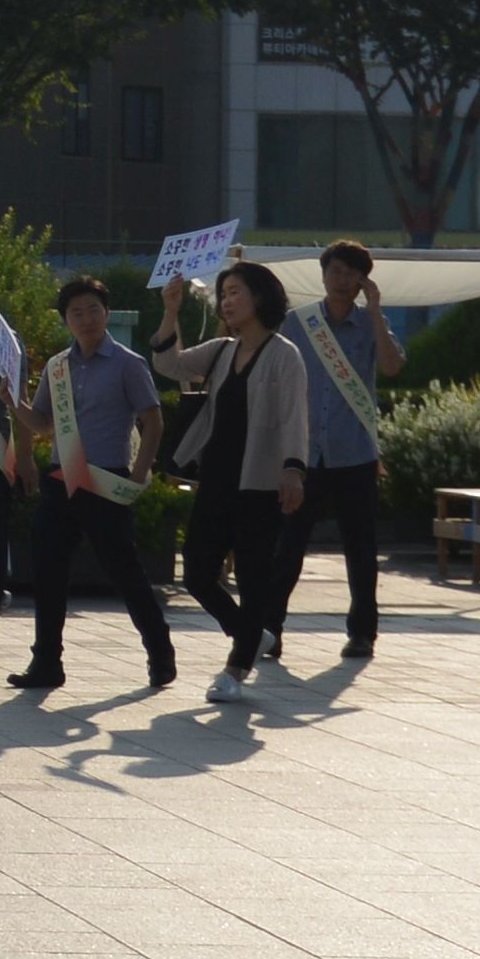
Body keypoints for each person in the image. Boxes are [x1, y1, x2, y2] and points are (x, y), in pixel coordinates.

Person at [11, 275, 176, 697]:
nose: (86, 319)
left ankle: (159, 650)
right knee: (48, 571)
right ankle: (46, 661)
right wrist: (15, 404)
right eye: (76, 312)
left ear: (106, 313)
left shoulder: (127, 363)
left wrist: (139, 473)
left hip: (106, 479)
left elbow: (153, 420)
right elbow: (44, 424)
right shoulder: (58, 366)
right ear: (65, 319)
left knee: (124, 570)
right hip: (60, 479)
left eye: (93, 310)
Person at [176, 262, 322, 701]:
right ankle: (250, 633)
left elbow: (295, 417)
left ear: (259, 297)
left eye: (235, 291)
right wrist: (170, 311)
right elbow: (169, 363)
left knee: (253, 575)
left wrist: (293, 469)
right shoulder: (222, 350)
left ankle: (236, 668)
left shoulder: (284, 354)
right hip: (217, 478)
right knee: (197, 572)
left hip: (260, 481)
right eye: (223, 294)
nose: (227, 301)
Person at [299, 240, 405, 662]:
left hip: (355, 454)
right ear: (323, 274)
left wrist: (376, 312)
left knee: (361, 550)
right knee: (287, 546)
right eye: (336, 271)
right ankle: (269, 628)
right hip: (304, 453)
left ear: (363, 281)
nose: (342, 280)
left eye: (351, 274)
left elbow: (392, 366)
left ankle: (362, 634)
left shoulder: (371, 324)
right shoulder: (300, 323)